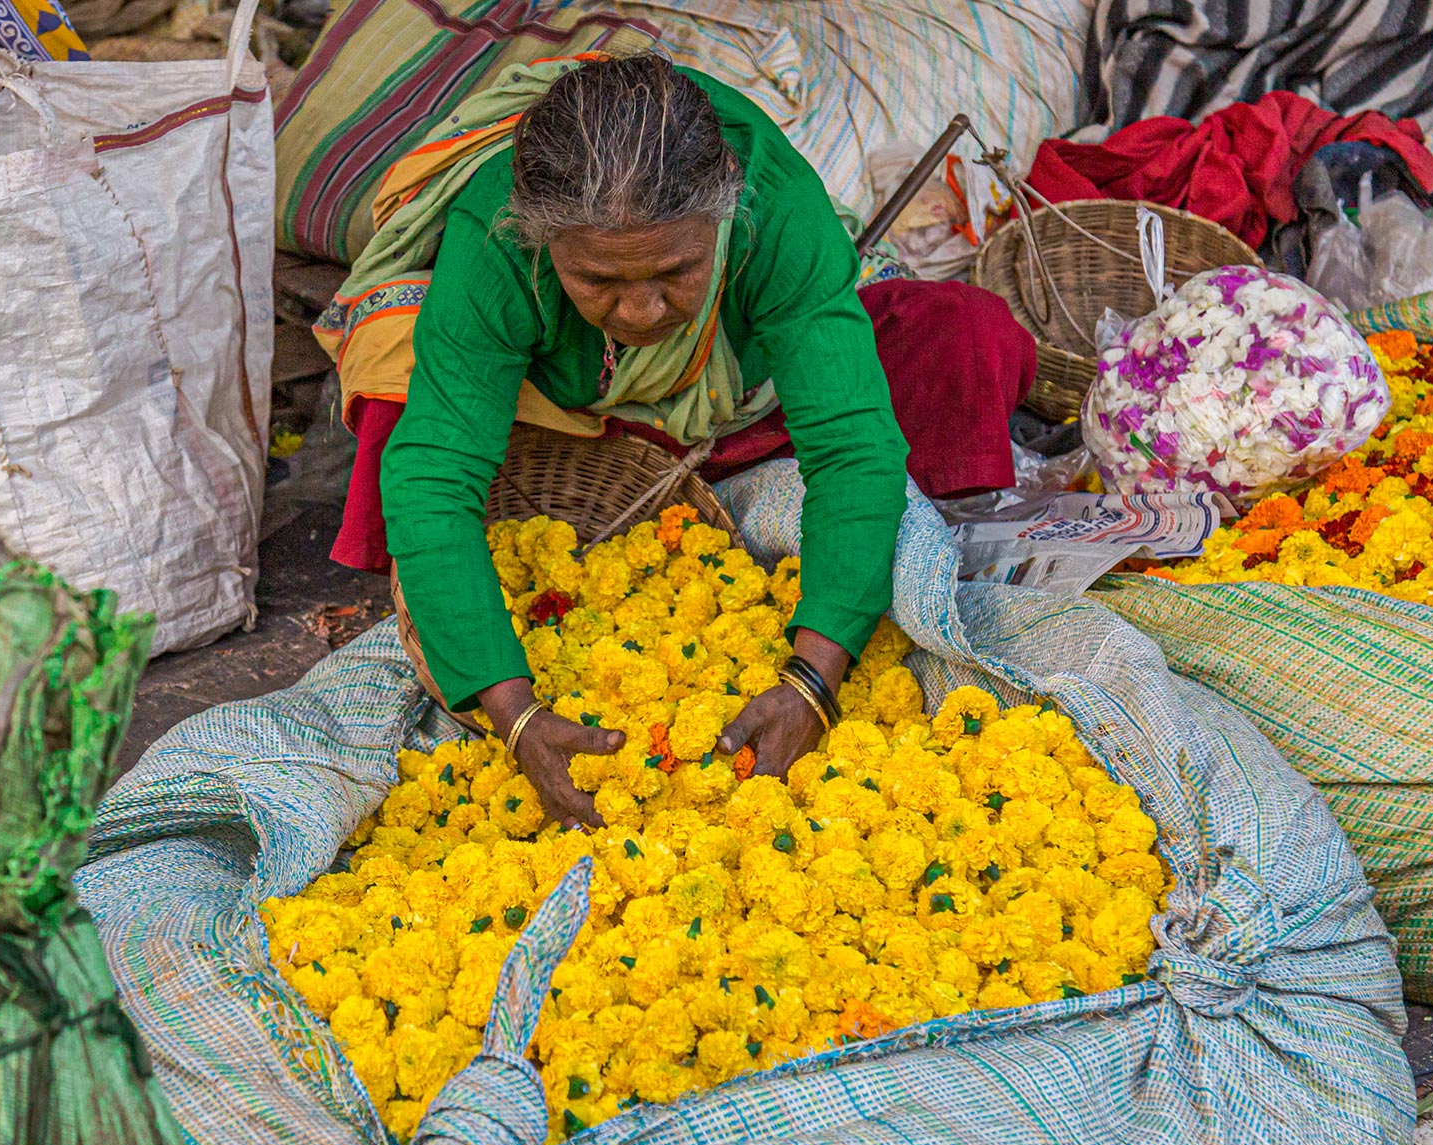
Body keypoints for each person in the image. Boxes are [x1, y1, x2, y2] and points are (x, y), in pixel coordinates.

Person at [318, 52, 1034, 827]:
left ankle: (769, 513)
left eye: (675, 270)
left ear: (723, 217)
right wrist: (515, 712)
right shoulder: (496, 239)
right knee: (401, 389)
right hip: (562, 408)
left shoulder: (774, 204)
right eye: (599, 281)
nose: (640, 311)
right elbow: (435, 475)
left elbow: (852, 447)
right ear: (543, 240)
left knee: (966, 340)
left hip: (744, 394)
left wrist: (813, 683)